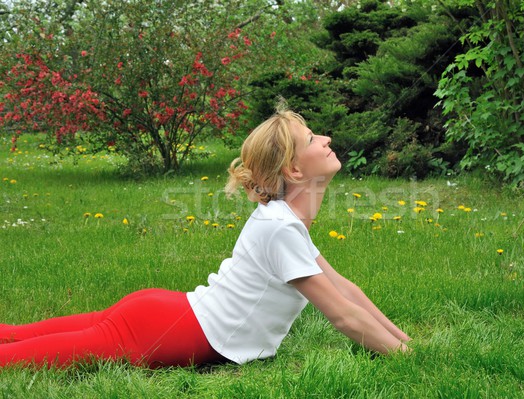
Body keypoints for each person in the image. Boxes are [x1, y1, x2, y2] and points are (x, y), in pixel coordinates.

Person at [0, 104, 410, 369]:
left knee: (23, 333)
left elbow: (346, 290)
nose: (327, 139)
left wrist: (404, 342)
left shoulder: (284, 223)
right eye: (312, 140)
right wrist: (407, 360)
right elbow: (339, 313)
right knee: (18, 354)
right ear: (295, 172)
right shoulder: (280, 228)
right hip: (159, 328)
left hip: (163, 314)